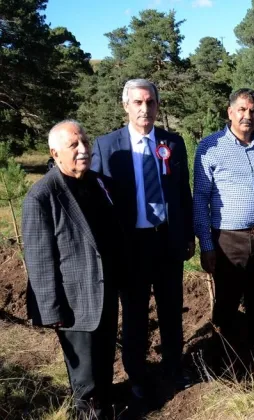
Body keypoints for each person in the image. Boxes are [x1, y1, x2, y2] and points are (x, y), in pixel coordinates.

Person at [91, 79, 195, 406]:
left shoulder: (173, 143)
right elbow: (96, 200)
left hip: (167, 241)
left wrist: (187, 234)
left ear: (157, 105)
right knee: (135, 314)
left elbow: (182, 194)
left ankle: (174, 368)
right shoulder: (108, 147)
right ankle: (137, 376)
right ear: (126, 106)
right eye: (137, 102)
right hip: (130, 246)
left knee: (170, 311)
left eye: (150, 102)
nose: (144, 109)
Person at [24, 120, 122, 419]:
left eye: (85, 143)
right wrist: (51, 311)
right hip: (74, 300)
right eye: (74, 146)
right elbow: (40, 258)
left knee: (105, 359)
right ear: (55, 154)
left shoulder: (98, 183)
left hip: (104, 290)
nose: (83, 150)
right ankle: (88, 413)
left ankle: (106, 407)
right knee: (84, 373)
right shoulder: (42, 195)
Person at [193, 88, 254, 379]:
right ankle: (224, 363)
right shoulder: (210, 147)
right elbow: (200, 201)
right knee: (227, 307)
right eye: (242, 110)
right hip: (228, 241)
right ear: (230, 112)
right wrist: (206, 245)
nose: (248, 115)